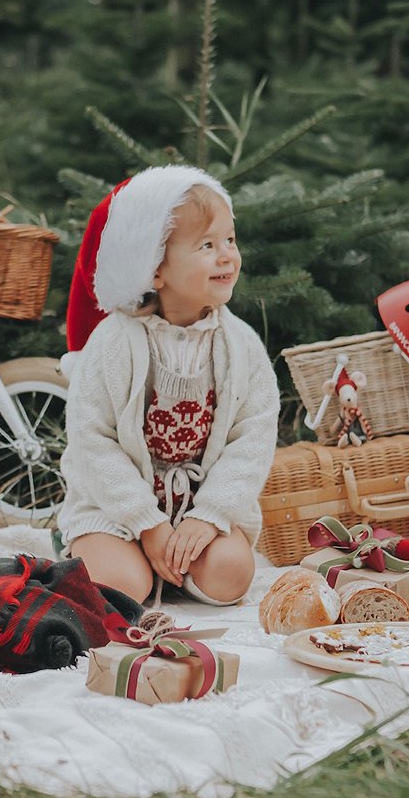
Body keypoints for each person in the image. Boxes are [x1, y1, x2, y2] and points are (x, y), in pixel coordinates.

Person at [56, 165, 280, 606]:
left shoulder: (241, 345)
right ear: (153, 268)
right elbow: (91, 440)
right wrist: (147, 522)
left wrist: (210, 515)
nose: (227, 256)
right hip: (116, 511)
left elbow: (252, 440)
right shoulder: (114, 342)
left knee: (231, 574)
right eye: (207, 245)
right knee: (121, 587)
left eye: (230, 240)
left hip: (198, 508)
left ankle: (180, 564)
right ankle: (117, 554)